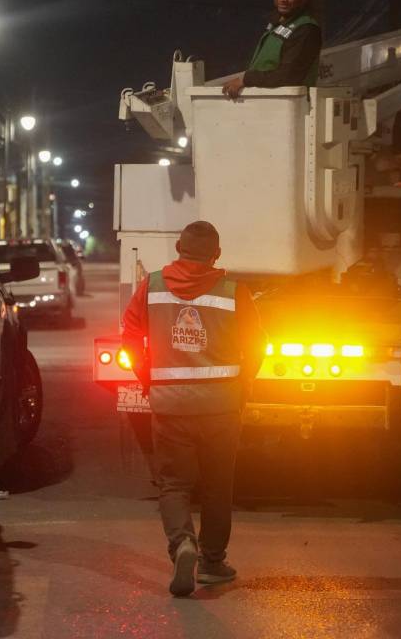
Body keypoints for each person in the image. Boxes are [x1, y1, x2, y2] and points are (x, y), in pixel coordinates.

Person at [120, 220, 266, 597]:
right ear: (216, 254)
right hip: (221, 406)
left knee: (173, 484)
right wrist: (241, 388)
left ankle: (182, 545)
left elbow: (131, 337)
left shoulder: (150, 286)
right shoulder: (235, 292)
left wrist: (149, 379)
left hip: (171, 406)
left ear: (179, 250)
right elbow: (258, 346)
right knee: (218, 486)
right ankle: (213, 562)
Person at [221, 0, 323, 100]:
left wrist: (245, 79)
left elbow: (287, 77)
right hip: (267, 105)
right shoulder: (275, 24)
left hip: (291, 109)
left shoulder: (306, 29)